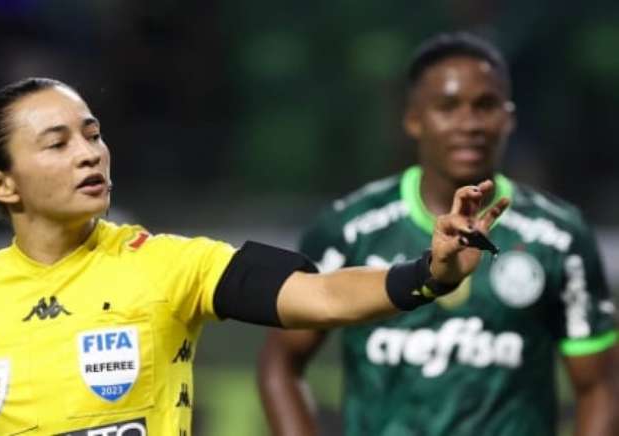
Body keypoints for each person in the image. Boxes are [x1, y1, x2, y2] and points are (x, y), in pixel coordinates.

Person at [0, 77, 507, 436]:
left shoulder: (167, 263)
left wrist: (427, 274)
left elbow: (320, 294)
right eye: (57, 143)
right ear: (2, 184)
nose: (89, 154)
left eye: (92, 134)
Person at [257, 32, 619, 436]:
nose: (469, 124)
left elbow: (600, 386)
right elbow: (281, 364)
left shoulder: (560, 237)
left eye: (485, 106)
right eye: (448, 107)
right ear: (413, 119)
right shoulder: (348, 230)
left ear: (509, 117)